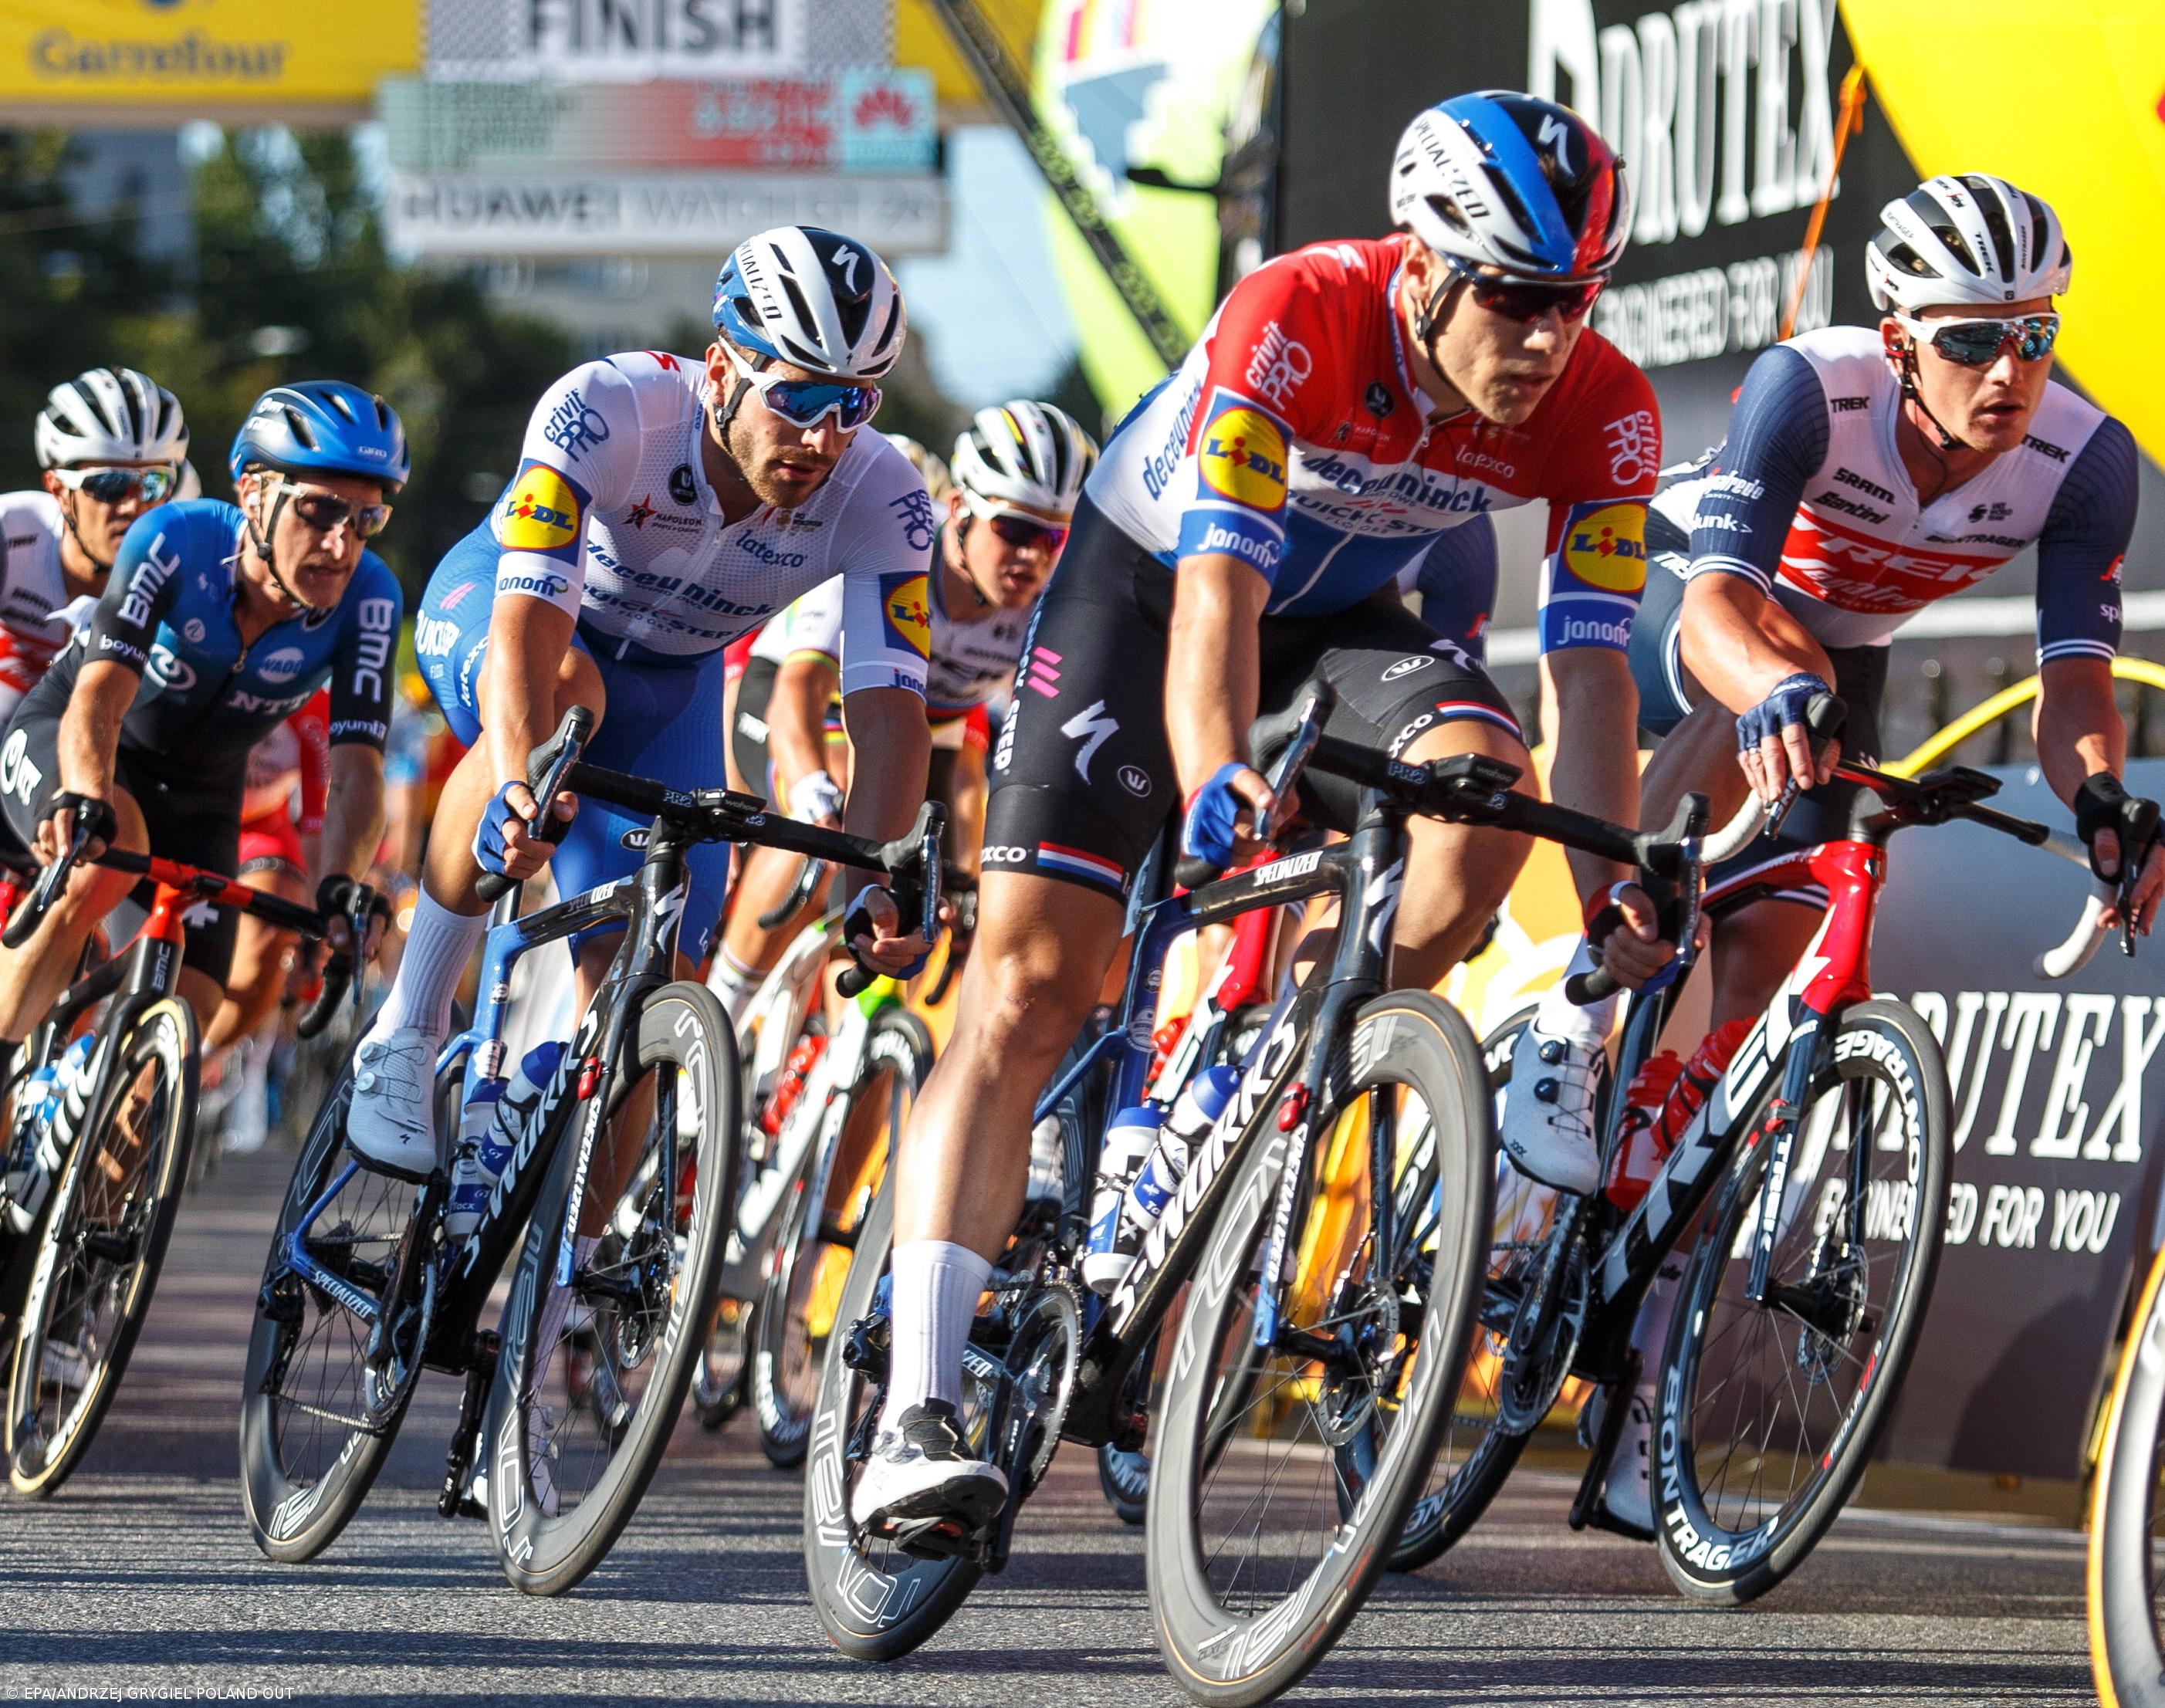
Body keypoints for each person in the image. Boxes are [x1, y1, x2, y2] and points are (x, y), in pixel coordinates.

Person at [851, 90, 1664, 1530]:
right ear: (1424, 269)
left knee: (1485, 800)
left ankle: (1274, 1045)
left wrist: (1607, 890)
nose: (1550, 341)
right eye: (1520, 302)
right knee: (1035, 977)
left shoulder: (1603, 407)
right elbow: (1215, 589)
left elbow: (1591, 676)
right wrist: (1217, 762)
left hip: (1341, 621)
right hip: (1145, 591)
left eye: (1577, 303)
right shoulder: (1299, 312)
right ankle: (915, 1403)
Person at [1542, 173, 2157, 1535]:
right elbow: (1716, 609)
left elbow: (2074, 695)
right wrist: (1765, 682)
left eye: (2035, 336)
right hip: (1693, 617)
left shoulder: (2087, 459)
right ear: (1897, 340)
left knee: (1761, 1009)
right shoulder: (1807, 390)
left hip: (1839, 660)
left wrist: (2109, 802)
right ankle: (1566, 1021)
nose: (2010, 370)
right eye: (1970, 340)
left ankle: (1646, 1388)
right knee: (1779, 667)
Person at [348, 225, 940, 1179]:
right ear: (721, 367)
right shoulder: (607, 407)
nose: (823, 436)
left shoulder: (887, 497)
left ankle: (555, 1305)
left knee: (657, 981)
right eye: (796, 396)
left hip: (673, 683)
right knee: (563, 696)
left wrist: (876, 881)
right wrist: (514, 781)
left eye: (854, 403)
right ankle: (408, 1029)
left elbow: (887, 712)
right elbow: (532, 628)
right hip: (512, 613)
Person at [0, 380, 402, 1069]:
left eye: (367, 519)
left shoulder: (371, 597)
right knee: (98, 864)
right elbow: (98, 693)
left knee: (186, 1019)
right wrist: (86, 794)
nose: (341, 544)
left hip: (206, 797)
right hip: (93, 748)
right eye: (321, 510)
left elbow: (358, 765)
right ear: (252, 492)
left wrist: (340, 885)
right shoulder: (175, 538)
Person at [713, 404, 1097, 1020]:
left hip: (911, 735)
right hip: (799, 703)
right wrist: (811, 793)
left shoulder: (1044, 611)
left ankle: (853, 1061)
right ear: (961, 512)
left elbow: (971, 764)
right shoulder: (896, 554)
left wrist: (970, 876)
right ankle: (717, 1017)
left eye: (1053, 539)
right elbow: (797, 692)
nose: (1033, 558)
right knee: (827, 814)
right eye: (1016, 531)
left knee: (913, 927)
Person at [0, 368, 190, 729]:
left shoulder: (188, 560)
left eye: (153, 484)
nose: (133, 506)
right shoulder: (11, 534)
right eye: (109, 485)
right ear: (58, 490)